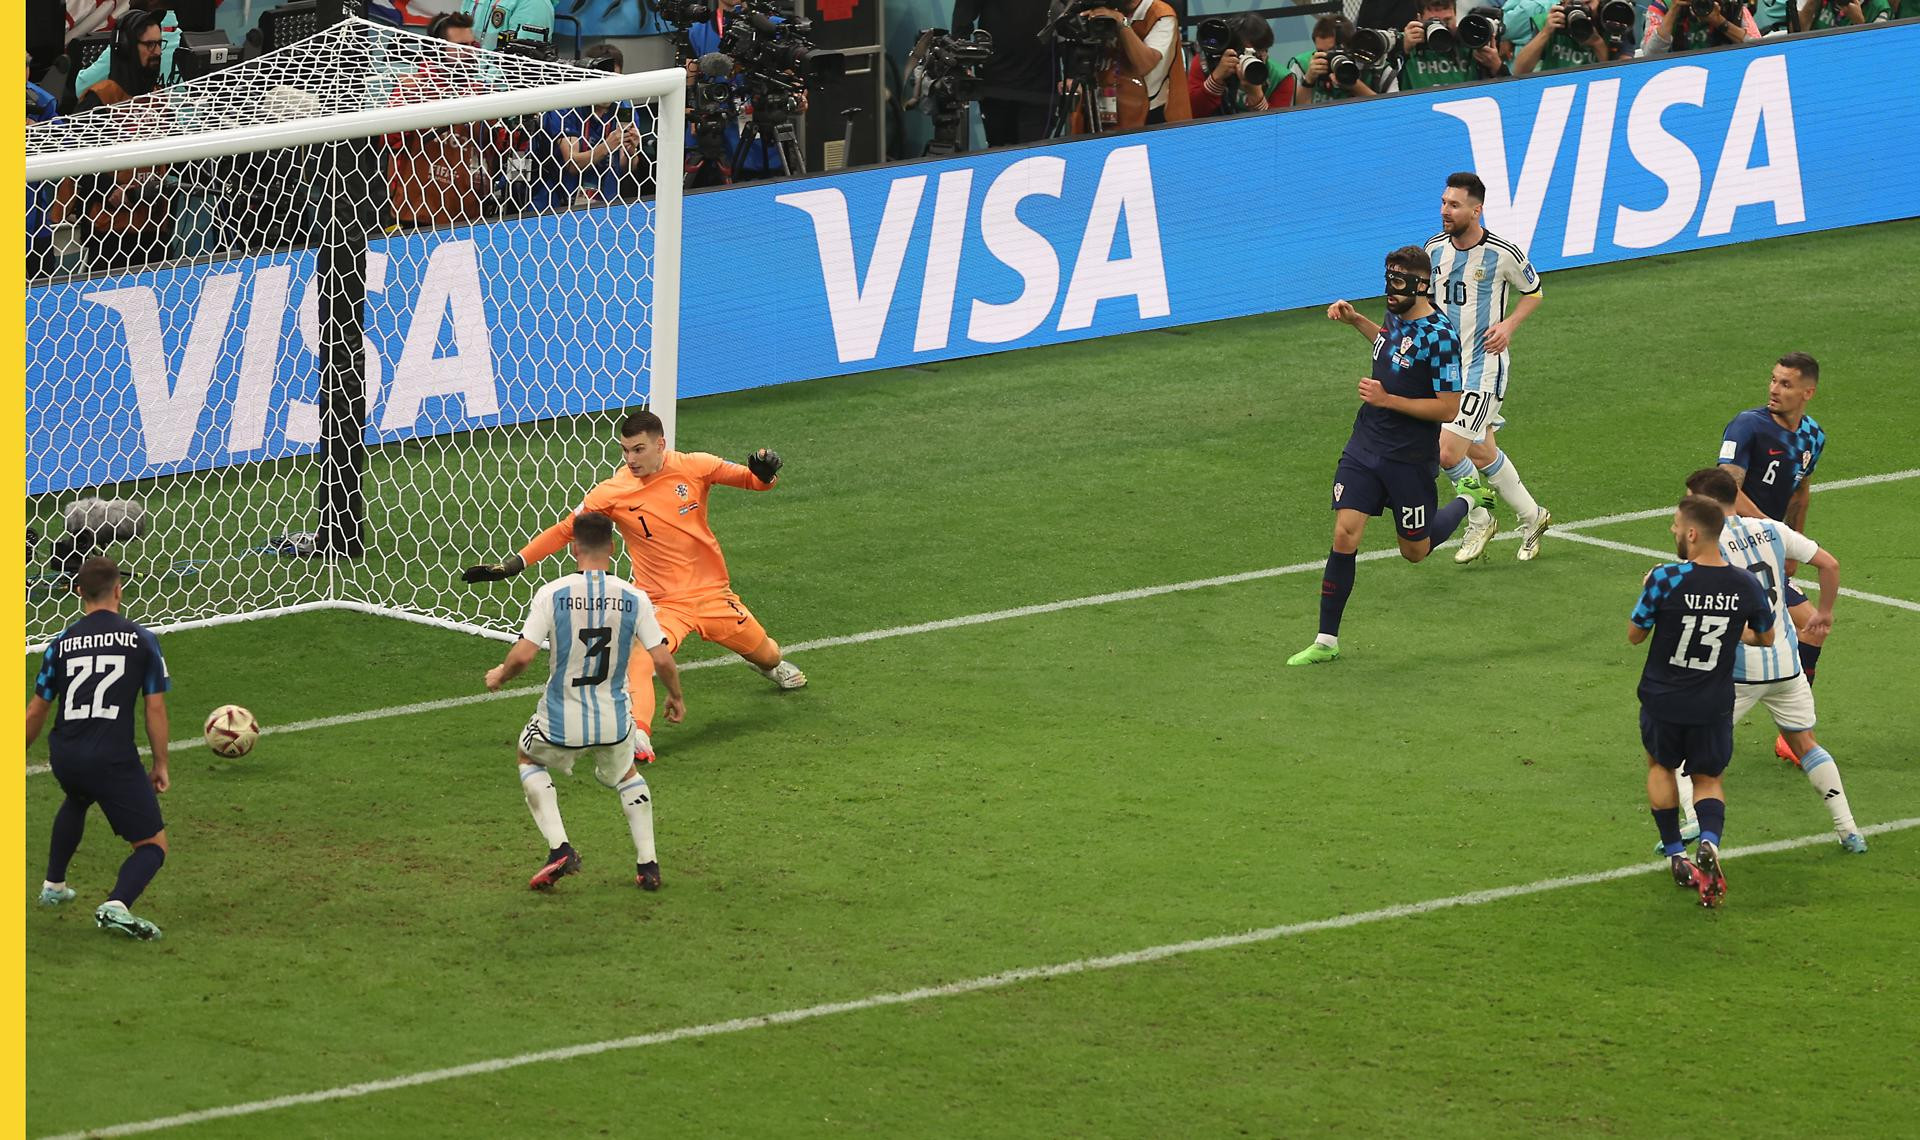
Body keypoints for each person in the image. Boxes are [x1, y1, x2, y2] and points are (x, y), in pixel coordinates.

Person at [463, 411, 807, 761]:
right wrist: (513, 564)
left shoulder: (696, 466)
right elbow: (566, 530)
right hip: (662, 603)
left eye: (638, 450)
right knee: (640, 660)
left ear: (660, 444)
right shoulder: (612, 492)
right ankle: (639, 735)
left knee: (769, 654)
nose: (630, 459)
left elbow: (751, 481)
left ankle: (768, 666)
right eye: (625, 450)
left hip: (714, 595)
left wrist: (765, 473)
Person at [1288, 246, 1495, 666]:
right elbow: (1391, 346)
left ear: (1422, 285)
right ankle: (1326, 641)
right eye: (1388, 280)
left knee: (1414, 552)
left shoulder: (1441, 337)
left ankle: (1471, 497)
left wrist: (1387, 399)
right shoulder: (1394, 316)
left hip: (1409, 458)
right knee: (1345, 533)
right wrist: (1356, 321)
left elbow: (1447, 408)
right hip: (1365, 445)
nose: (1390, 290)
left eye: (1398, 282)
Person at [484, 513, 685, 892]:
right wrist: (675, 696)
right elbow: (661, 658)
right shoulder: (635, 597)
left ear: (574, 548)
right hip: (614, 718)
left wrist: (499, 675)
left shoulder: (553, 593)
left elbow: (523, 656)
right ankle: (649, 865)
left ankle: (559, 847)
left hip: (560, 719)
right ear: (612, 548)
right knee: (627, 775)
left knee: (528, 757)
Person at [1679, 468, 1865, 853]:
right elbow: (1829, 564)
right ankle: (1849, 830)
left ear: (1709, 504)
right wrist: (1824, 613)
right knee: (1805, 743)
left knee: (1684, 749)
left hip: (1738, 672)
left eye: (1690, 501)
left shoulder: (1708, 543)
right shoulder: (1773, 531)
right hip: (1787, 665)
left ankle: (1696, 820)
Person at [1628, 495, 1774, 908]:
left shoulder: (1665, 579)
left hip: (1662, 699)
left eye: (1676, 525)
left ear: (1692, 533)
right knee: (1708, 779)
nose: (1673, 531)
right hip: (1712, 703)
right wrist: (1733, 630)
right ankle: (1708, 841)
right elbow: (1766, 637)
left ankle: (1675, 852)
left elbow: (1635, 635)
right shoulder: (1745, 584)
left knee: (1661, 766)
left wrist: (1650, 595)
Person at [25, 557, 174, 940]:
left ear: (78, 593)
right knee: (153, 846)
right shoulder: (142, 639)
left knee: (77, 797)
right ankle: (117, 903)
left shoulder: (59, 644)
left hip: (65, 755)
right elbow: (154, 707)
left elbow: (36, 712)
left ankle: (53, 887)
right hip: (111, 758)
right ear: (119, 590)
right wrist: (160, 764)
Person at [1424, 171, 1552, 564]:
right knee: (1480, 452)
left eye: (1454, 204)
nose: (1445, 210)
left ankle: (1479, 519)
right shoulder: (1433, 250)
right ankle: (1533, 517)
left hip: (1484, 369)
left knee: (1447, 452)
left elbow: (1534, 292)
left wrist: (1509, 326)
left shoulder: (1503, 253)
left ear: (1476, 210)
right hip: (1446, 371)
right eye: (1444, 202)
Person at [1717, 352, 1827, 762]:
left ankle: (1793, 733)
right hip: (1734, 547)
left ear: (1807, 392)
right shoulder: (1748, 426)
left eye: (1785, 384)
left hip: (1769, 552)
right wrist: (1772, 532)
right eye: (1773, 380)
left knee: (1813, 628)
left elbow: (1801, 491)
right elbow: (1726, 488)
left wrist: (1793, 543)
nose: (1773, 389)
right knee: (1733, 639)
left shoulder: (1812, 436)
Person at [74, 10, 173, 273]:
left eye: (159, 43)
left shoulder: (159, 98)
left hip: (155, 230)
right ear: (127, 48)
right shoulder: (100, 100)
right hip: (111, 235)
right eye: (149, 44)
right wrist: (113, 192)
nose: (157, 52)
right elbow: (78, 165)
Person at [387, 13, 497, 229]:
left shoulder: (484, 94)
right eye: (461, 46)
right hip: (415, 215)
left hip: (468, 217)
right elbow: (391, 141)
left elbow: (503, 146)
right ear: (437, 49)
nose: (470, 51)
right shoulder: (411, 89)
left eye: (472, 44)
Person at [530, 44, 646, 212]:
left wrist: (630, 151)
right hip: (558, 206)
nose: (609, 88)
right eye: (602, 79)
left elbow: (626, 167)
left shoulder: (625, 109)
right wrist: (607, 146)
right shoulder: (566, 106)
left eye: (614, 79)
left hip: (605, 206)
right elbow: (572, 163)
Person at [1068, 1, 1192, 130]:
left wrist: (1121, 22)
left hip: (1150, 113)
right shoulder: (1105, 9)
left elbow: (1144, 64)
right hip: (1106, 108)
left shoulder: (1160, 14)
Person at [952, 0, 1052, 145]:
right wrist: (963, 63)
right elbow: (963, 16)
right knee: (999, 151)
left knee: (1035, 155)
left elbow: (1070, 13)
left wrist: (1072, 71)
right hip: (995, 78)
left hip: (1040, 80)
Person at [1399, 0, 1509, 91]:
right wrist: (1401, 50)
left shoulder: (1469, 43)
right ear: (1419, 18)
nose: (1442, 28)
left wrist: (1496, 66)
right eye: (1435, 22)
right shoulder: (1408, 45)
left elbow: (1509, 93)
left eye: (1447, 20)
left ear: (1456, 15)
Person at [1283, 16, 1386, 108]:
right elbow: (1296, 116)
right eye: (1320, 51)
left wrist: (1353, 83)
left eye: (1333, 52)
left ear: (1350, 47)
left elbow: (1388, 111)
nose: (1328, 57)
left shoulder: (1369, 64)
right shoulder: (1302, 65)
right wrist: (1308, 81)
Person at [1187, 13, 1275, 117]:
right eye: (1242, 51)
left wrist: (1256, 95)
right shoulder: (1205, 64)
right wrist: (1216, 79)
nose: (1247, 56)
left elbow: (1279, 128)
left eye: (1255, 54)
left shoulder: (1279, 77)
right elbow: (1191, 113)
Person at [1511, 0, 1618, 73]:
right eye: (1573, 3)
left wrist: (1597, 43)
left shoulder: (1609, 25)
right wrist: (1545, 32)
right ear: (1563, 3)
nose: (1581, 10)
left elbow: (1616, 78)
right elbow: (1519, 71)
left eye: (1588, 3)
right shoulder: (1551, 22)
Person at [1643, 0, 1759, 54]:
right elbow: (1650, 53)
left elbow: (1759, 46)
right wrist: (1674, 9)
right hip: (1678, 74)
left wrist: (1719, 22)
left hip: (1724, 69)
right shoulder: (1663, 5)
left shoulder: (1731, 4)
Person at [460, 0, 554, 54]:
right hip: (463, 77)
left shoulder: (535, 3)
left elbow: (518, 62)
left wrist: (484, 84)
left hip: (497, 84)